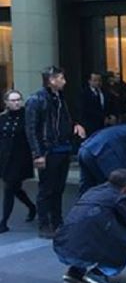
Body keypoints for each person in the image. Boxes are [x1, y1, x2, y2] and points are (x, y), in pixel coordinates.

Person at [53, 168, 126, 283]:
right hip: (85, 243)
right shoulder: (118, 198)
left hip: (65, 242)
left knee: (91, 230)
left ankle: (76, 271)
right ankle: (100, 273)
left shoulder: (93, 191)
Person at [25, 66, 86, 238]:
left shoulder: (60, 98)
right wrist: (38, 154)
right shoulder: (37, 99)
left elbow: (64, 120)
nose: (64, 81)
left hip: (62, 148)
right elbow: (31, 129)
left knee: (58, 188)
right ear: (52, 80)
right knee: (47, 189)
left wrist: (75, 125)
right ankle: (45, 224)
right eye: (61, 78)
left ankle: (57, 222)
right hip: (48, 150)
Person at [0, 90, 36, 232]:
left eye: (18, 100)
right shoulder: (2, 118)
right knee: (14, 188)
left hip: (20, 158)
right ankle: (31, 207)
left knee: (9, 188)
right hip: (4, 157)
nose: (16, 103)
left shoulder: (27, 116)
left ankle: (4, 222)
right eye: (13, 100)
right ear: (6, 103)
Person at [80, 72, 111, 137]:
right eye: (95, 80)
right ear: (89, 81)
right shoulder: (85, 93)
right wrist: (102, 118)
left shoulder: (105, 92)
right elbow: (86, 109)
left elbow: (109, 105)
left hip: (105, 125)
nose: (97, 83)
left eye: (99, 80)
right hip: (91, 125)